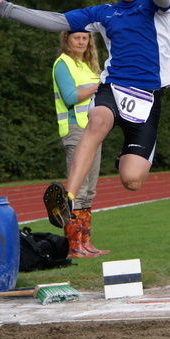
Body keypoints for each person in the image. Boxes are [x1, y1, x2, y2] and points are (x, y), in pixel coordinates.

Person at [0, 0, 170, 228]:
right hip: (114, 88)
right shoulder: (105, 13)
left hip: (147, 99)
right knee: (97, 121)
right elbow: (58, 20)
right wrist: (7, 9)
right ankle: (66, 198)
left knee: (132, 180)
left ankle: (123, 158)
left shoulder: (155, 4)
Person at [53, 30, 109, 257]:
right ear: (66, 39)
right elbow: (70, 97)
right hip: (76, 130)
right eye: (76, 37)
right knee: (78, 189)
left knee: (89, 191)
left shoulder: (87, 66)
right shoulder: (63, 63)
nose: (81, 41)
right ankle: (73, 245)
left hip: (93, 131)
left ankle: (85, 243)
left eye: (85, 38)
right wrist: (100, 85)